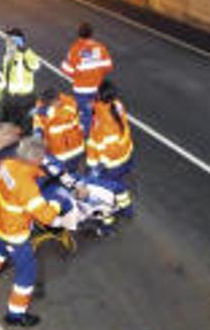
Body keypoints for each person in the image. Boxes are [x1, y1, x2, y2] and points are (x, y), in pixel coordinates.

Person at [0, 137, 62, 327]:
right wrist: (56, 203)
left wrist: (37, 172)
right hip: (16, 234)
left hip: (0, 222)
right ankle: (15, 314)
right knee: (27, 272)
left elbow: (4, 181)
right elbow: (46, 216)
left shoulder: (6, 164)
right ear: (35, 159)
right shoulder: (27, 186)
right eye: (41, 157)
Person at [86, 80, 134, 218]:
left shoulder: (105, 124)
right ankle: (126, 208)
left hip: (111, 164)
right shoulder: (116, 105)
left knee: (107, 190)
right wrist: (94, 106)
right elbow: (101, 108)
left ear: (100, 95)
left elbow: (109, 149)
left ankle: (112, 215)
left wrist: (98, 166)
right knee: (118, 185)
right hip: (125, 157)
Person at [61, 22, 113, 137]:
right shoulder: (100, 47)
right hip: (97, 88)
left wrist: (71, 68)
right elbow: (108, 66)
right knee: (97, 111)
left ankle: (86, 137)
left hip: (81, 90)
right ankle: (98, 133)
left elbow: (68, 70)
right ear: (91, 34)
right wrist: (97, 73)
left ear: (79, 34)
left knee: (84, 114)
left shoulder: (75, 49)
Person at [0, 28, 40, 132]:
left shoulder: (25, 55)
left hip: (25, 100)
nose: (7, 42)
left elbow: (35, 65)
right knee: (5, 126)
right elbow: (3, 79)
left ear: (17, 42)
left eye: (9, 40)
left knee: (24, 129)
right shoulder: (8, 56)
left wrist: (25, 50)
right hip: (10, 98)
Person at [33, 86, 85, 175]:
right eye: (55, 103)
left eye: (57, 101)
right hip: (57, 152)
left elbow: (66, 115)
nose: (58, 103)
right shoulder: (41, 107)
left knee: (76, 171)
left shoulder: (69, 103)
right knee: (65, 175)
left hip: (75, 148)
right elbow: (38, 122)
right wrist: (38, 133)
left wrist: (50, 112)